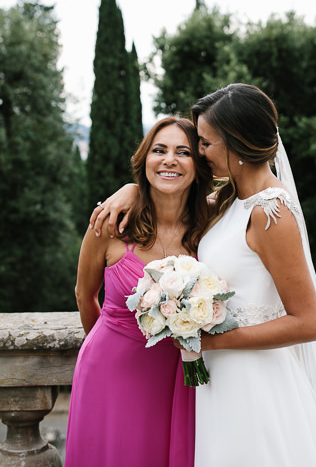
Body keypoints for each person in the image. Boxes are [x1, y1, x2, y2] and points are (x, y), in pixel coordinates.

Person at [92, 84, 316, 467]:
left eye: (206, 143)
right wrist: (131, 189)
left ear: (236, 144)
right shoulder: (230, 200)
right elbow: (171, 201)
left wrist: (207, 342)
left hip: (255, 381)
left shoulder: (270, 212)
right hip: (220, 380)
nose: (199, 152)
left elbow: (308, 323)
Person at [65, 116, 210, 467]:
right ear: (144, 159)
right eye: (159, 150)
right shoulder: (110, 225)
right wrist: (112, 346)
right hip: (110, 373)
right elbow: (85, 296)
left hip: (179, 376)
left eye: (183, 152)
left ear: (198, 165)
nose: (169, 159)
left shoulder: (212, 228)